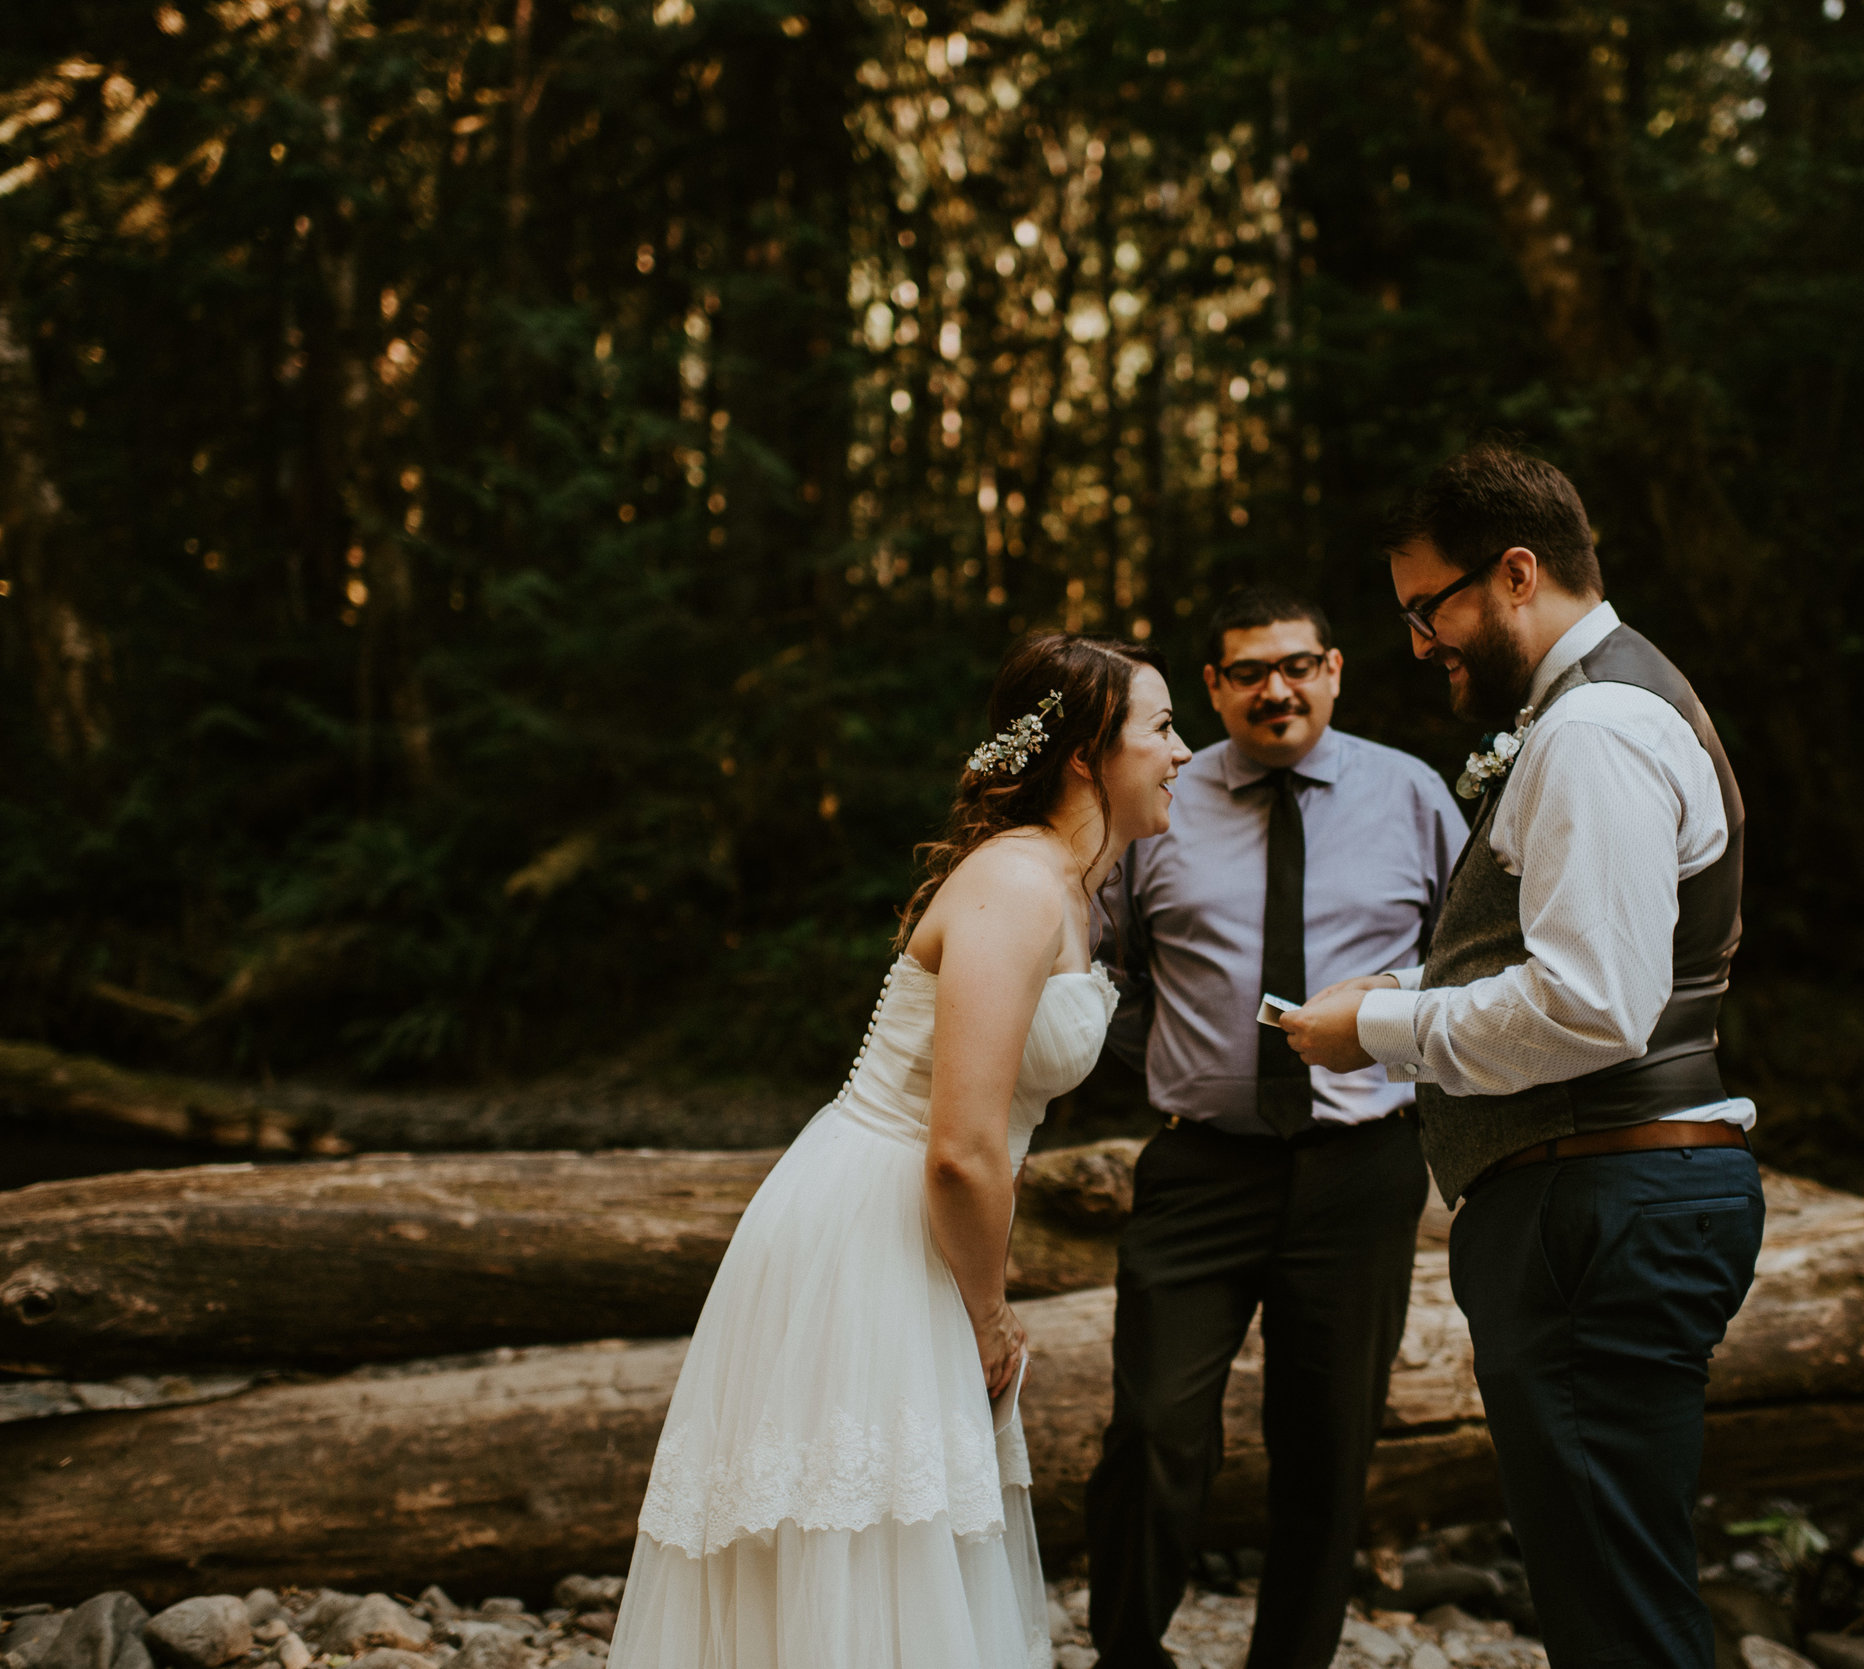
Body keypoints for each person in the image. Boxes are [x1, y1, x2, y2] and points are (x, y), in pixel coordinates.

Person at [608, 633, 1193, 1669]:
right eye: (1160, 727)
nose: (1182, 751)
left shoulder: (1070, 884)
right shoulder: (1015, 885)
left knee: (899, 1529)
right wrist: (987, 1314)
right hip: (877, 1223)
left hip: (914, 1218)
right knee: (869, 1527)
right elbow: (961, 1149)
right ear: (1086, 754)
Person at [1281, 443, 1763, 1669]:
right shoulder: (1596, 708)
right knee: (1611, 1589)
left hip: (1595, 1199)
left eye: (1426, 607)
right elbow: (1569, 959)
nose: (1418, 643)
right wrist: (1399, 985)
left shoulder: (1594, 727)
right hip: (1599, 1192)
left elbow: (1593, 1005)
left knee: (1617, 1614)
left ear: (1512, 573)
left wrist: (1380, 1032)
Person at [1084, 586, 1467, 1669]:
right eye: (1247, 671)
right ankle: (1125, 1655)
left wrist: (1396, 1027)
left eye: (1295, 664)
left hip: (1362, 1165)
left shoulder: (1413, 796)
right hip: (1200, 1162)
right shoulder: (1161, 801)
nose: (1275, 688)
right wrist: (1165, 1059)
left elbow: (1479, 957)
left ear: (1335, 670)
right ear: (1212, 689)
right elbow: (1099, 961)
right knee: (1154, 1426)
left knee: (1327, 1445)